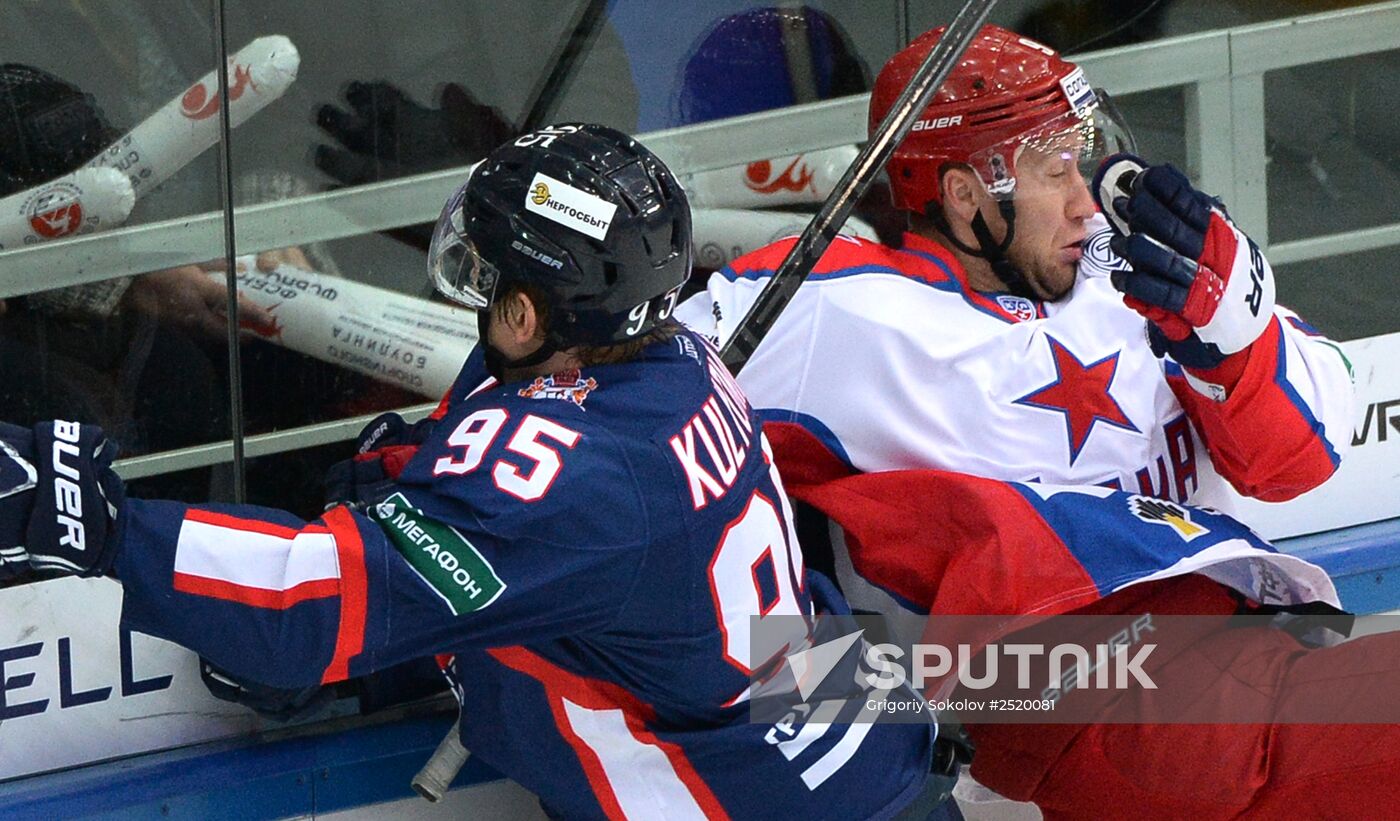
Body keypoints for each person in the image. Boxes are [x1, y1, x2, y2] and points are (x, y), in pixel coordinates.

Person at [0, 124, 951, 819]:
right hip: (852, 733)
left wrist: (102, 522)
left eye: (492, 279)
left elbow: (310, 604)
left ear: (534, 314)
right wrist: (415, 477)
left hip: (745, 797)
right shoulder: (673, 356)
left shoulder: (573, 483)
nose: (474, 290)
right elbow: (519, 495)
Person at [675, 24, 1392, 821]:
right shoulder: (832, 309)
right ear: (965, 194)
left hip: (1234, 657)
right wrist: (877, 723)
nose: (1087, 198)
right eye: (1056, 171)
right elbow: (608, 398)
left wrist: (1236, 334)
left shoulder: (1136, 269)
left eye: (1082, 162)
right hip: (1107, 700)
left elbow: (1300, 461)